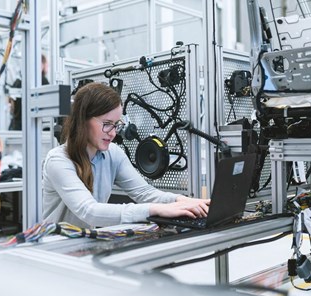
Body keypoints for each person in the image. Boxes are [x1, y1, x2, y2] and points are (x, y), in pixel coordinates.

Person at [42, 82, 210, 228]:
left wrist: (182, 201)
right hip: (57, 248)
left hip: (85, 243)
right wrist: (155, 209)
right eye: (107, 124)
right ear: (82, 120)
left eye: (116, 125)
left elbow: (144, 193)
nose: (113, 133)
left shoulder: (113, 154)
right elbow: (89, 211)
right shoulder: (58, 160)